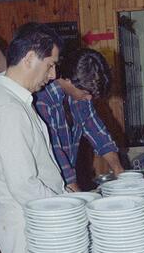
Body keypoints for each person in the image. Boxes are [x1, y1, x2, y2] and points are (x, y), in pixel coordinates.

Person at [0, 24, 65, 253]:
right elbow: (24, 185)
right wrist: (70, 208)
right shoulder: (7, 109)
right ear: (29, 58)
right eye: (50, 65)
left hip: (31, 219)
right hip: (27, 223)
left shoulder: (13, 101)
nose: (53, 75)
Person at [35, 48, 124, 191]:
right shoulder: (42, 100)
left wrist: (119, 171)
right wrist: (79, 199)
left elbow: (97, 132)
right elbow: (56, 156)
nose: (89, 99)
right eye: (85, 93)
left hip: (68, 177)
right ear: (68, 80)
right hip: (47, 187)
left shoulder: (78, 96)